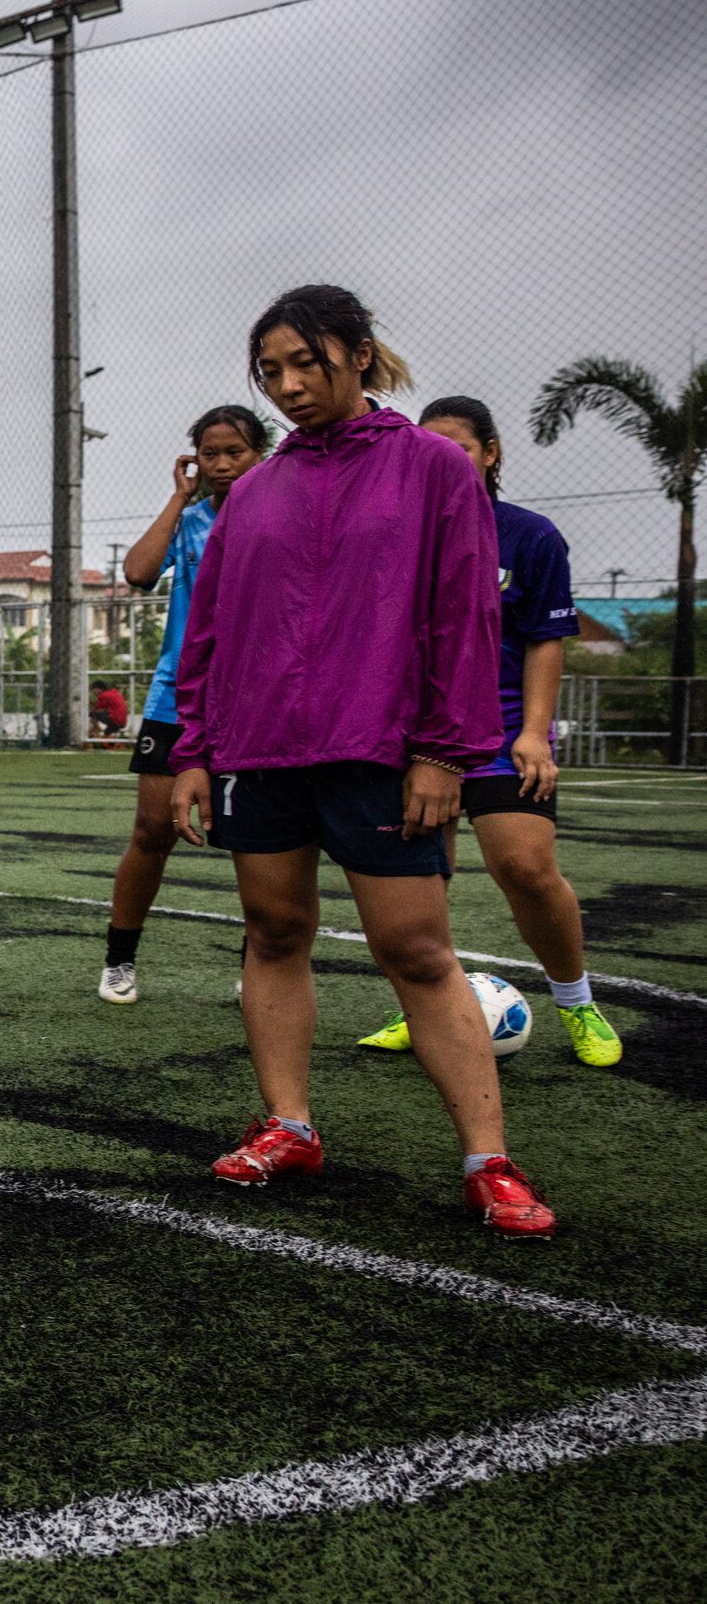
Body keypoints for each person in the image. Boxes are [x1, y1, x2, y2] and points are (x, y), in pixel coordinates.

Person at [170, 284, 556, 1237]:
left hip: (383, 749)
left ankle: (489, 1161)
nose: (289, 386)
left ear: (359, 353)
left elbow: (463, 614)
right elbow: (209, 631)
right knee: (272, 931)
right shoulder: (251, 490)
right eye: (271, 372)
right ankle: (289, 1124)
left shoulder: (432, 468)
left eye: (307, 363)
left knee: (418, 952)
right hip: (258, 751)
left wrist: (442, 750)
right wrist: (193, 752)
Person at [358, 397, 621, 1067]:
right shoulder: (395, 535)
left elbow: (546, 641)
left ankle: (577, 1000)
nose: (443, 460)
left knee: (525, 866)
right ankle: (418, 1006)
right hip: (415, 739)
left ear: (491, 453)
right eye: (429, 448)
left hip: (501, 733)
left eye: (460, 448)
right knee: (420, 880)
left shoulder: (530, 536)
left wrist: (535, 732)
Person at [99, 407, 269, 1004]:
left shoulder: (281, 518)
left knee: (260, 842)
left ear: (260, 454)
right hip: (178, 697)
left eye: (236, 452)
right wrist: (178, 499)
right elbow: (139, 571)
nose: (222, 465)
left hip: (256, 701)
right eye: (210, 453)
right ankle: (119, 961)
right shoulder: (192, 520)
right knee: (151, 831)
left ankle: (260, 971)